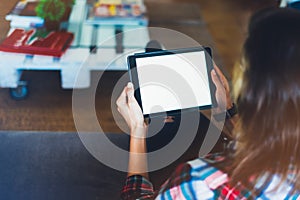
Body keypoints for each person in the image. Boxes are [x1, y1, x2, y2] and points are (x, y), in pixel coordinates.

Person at [117, 7, 300, 199]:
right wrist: (228, 111)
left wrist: (137, 133)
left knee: (172, 127)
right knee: (185, 120)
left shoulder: (201, 181)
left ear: (253, 87)